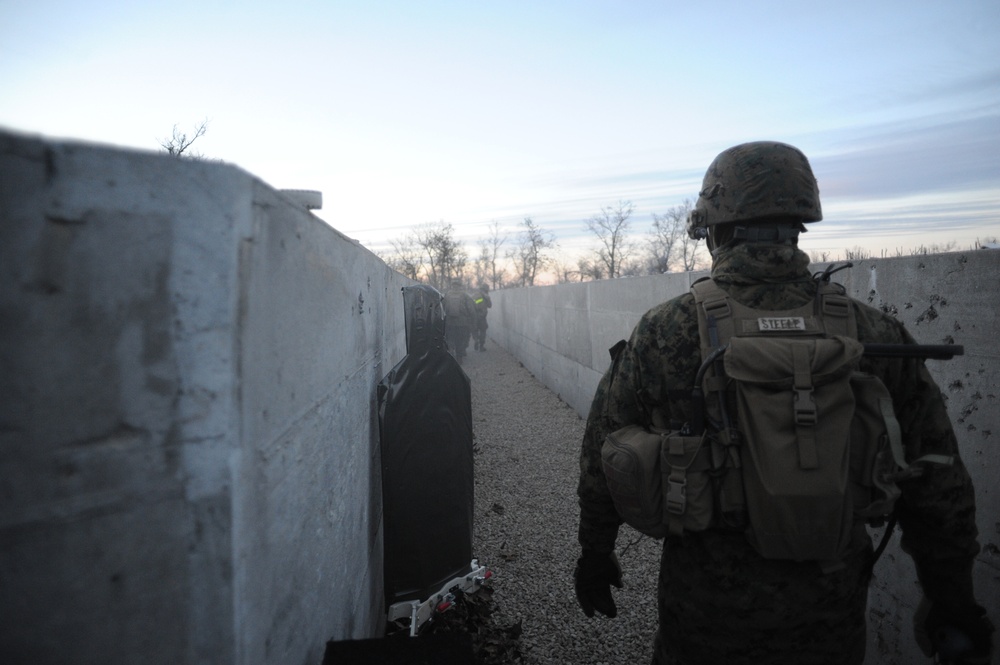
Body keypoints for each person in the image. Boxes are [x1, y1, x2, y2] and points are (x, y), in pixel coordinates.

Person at [574, 141, 993, 665]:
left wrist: (595, 552)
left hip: (705, 614)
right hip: (831, 614)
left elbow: (603, 450)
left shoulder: (667, 328)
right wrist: (951, 598)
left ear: (714, 227)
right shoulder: (872, 332)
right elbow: (938, 478)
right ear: (801, 220)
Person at [442, 278, 477, 362]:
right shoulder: (465, 295)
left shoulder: (447, 295)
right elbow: (471, 310)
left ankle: (450, 357)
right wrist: (473, 321)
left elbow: (442, 308)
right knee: (460, 340)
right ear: (460, 286)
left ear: (452, 285)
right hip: (462, 323)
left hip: (450, 323)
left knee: (450, 340)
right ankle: (459, 358)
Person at [472, 283, 492, 351]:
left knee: (475, 330)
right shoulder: (486, 296)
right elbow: (490, 306)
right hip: (482, 316)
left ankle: (476, 340)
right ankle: (481, 346)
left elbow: (470, 305)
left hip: (474, 316)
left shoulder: (474, 295)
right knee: (483, 331)